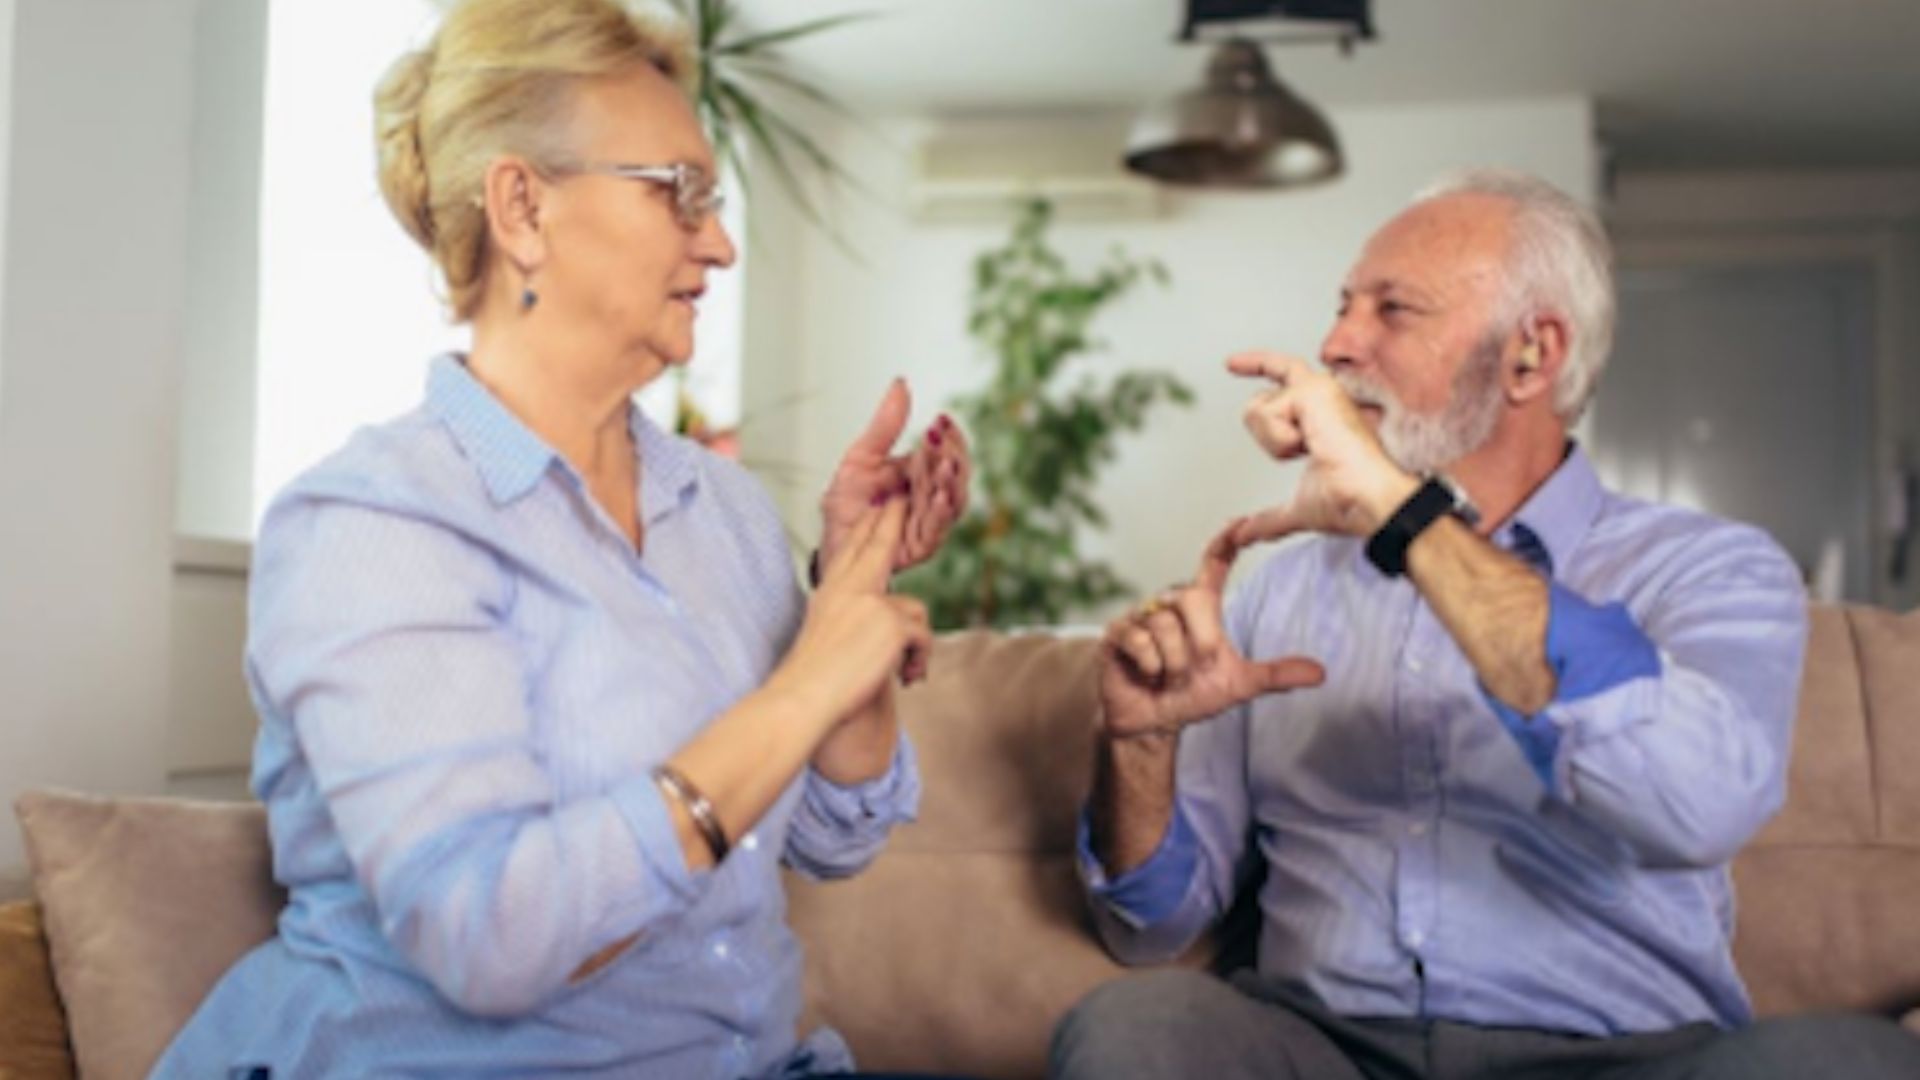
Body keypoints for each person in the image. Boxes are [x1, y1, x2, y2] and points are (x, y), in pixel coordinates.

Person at [152, 1, 970, 1076]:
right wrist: (803, 687)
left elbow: (830, 840)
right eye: (678, 192)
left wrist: (849, 608)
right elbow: (490, 935)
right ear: (524, 208)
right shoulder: (372, 524)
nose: (720, 243)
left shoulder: (721, 512)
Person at [1051, 169, 1920, 1078]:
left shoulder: (1711, 570)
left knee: (1848, 1062)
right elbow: (1150, 928)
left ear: (1530, 357)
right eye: (1344, 307)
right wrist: (1137, 747)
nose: (1336, 345)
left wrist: (1402, 514)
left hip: (1627, 1059)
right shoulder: (1280, 593)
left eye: (1393, 310)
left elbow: (1697, 810)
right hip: (1327, 1048)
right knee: (1138, 1027)